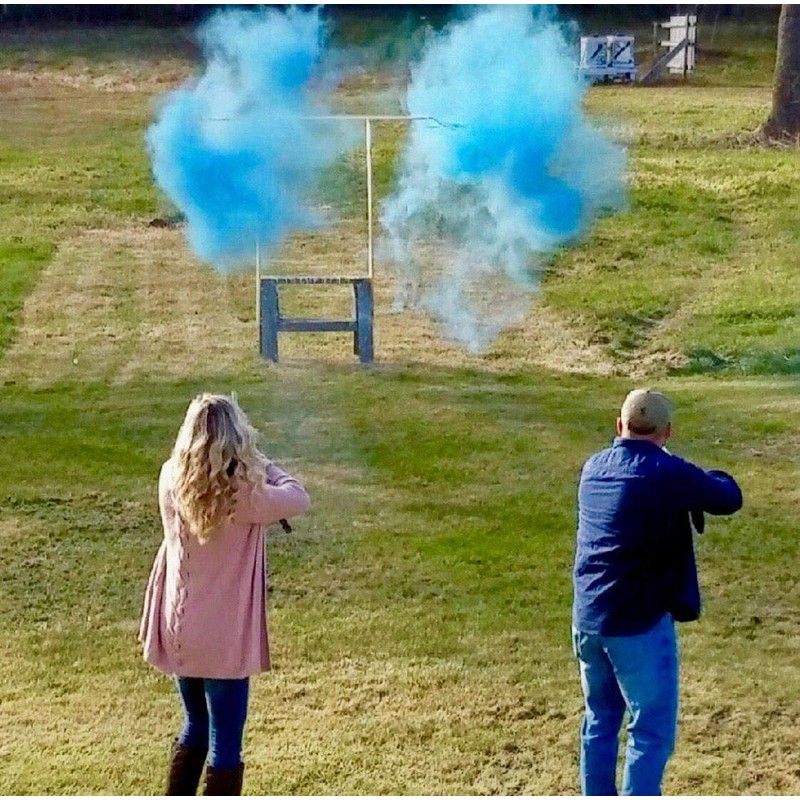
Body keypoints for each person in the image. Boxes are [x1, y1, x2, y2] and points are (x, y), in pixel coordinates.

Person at [572, 389, 742, 796]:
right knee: (649, 731)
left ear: (619, 426)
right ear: (667, 432)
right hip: (638, 625)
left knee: (600, 720)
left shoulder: (593, 467)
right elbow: (727, 497)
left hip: (589, 618)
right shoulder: (668, 473)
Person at [139, 393, 310, 796]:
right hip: (224, 639)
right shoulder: (245, 495)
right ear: (235, 439)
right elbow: (298, 495)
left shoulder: (170, 477)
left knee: (195, 725)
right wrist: (261, 463)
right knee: (225, 746)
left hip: (180, 628)